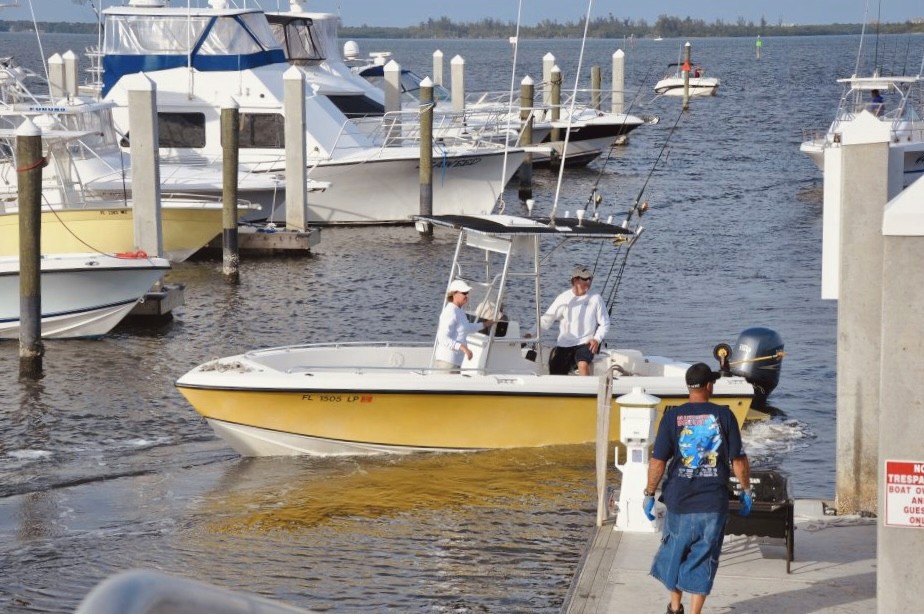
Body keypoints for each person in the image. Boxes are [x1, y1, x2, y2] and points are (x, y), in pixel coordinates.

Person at [642, 362, 753, 614]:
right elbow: (738, 460)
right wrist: (746, 491)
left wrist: (649, 494)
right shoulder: (725, 415)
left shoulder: (671, 416)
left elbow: (658, 461)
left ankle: (674, 608)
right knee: (703, 558)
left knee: (676, 553)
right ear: (709, 386)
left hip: (679, 501)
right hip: (712, 503)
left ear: (689, 387)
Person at [537, 265, 609, 376]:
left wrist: (596, 339)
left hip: (585, 343)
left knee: (582, 364)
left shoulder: (596, 298)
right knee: (555, 370)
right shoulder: (563, 297)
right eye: (584, 279)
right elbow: (547, 319)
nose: (588, 282)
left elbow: (605, 323)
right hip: (564, 344)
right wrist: (530, 333)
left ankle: (587, 392)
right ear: (575, 280)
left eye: (590, 279)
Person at [434, 279, 492, 372]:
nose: (467, 296)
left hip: (455, 362)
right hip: (448, 362)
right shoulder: (450, 311)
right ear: (454, 294)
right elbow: (442, 338)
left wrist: (486, 324)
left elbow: (467, 328)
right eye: (464, 293)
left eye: (468, 293)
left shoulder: (459, 310)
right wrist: (463, 348)